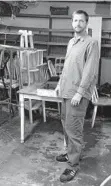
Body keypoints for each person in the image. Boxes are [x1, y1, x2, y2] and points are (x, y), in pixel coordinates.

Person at [55, 10, 99, 183]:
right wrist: (59, 83)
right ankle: (70, 153)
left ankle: (73, 166)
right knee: (66, 125)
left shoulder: (91, 43)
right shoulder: (71, 42)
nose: (78, 23)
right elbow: (67, 66)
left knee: (74, 130)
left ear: (86, 23)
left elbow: (89, 71)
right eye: (75, 20)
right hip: (66, 90)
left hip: (77, 95)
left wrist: (80, 92)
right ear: (72, 23)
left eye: (81, 21)